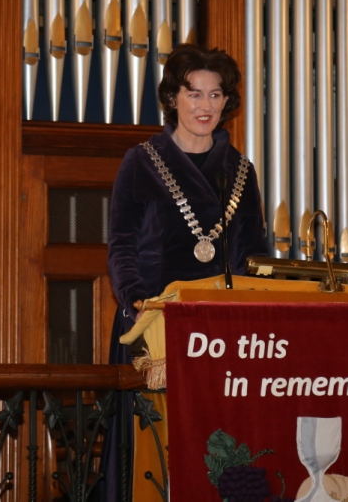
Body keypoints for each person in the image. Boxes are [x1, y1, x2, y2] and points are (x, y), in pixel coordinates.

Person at [108, 45, 269, 358]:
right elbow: (121, 247)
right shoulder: (140, 162)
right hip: (152, 320)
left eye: (215, 95)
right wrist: (139, 303)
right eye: (194, 94)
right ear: (172, 98)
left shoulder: (241, 170)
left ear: (226, 101)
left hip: (222, 330)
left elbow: (253, 255)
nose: (205, 105)